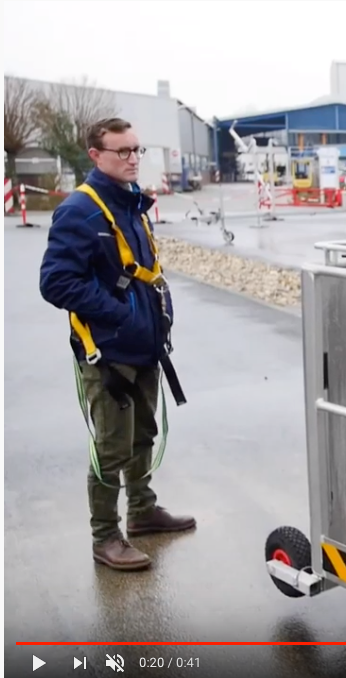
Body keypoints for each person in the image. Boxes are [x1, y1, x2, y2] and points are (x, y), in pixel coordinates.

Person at [39, 117, 195, 572]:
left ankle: (142, 511)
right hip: (108, 352)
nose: (132, 160)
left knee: (143, 435)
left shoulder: (130, 205)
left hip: (144, 346)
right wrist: (119, 315)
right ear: (96, 155)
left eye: (136, 150)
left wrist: (150, 321)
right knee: (111, 447)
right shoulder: (79, 211)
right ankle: (105, 536)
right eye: (122, 152)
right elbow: (56, 283)